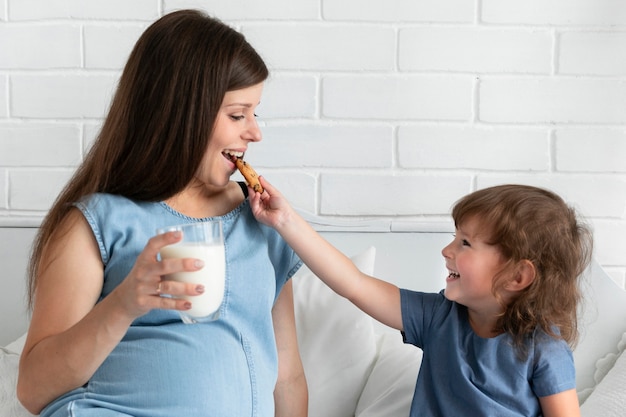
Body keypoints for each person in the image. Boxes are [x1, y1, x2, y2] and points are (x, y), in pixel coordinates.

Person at [17, 10, 307, 417]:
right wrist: (123, 305)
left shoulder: (265, 224)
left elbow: (288, 376)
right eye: (238, 115)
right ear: (182, 113)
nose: (255, 132)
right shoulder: (98, 223)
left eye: (255, 113)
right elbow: (32, 389)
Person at [249, 179, 593, 417]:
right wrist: (286, 221)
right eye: (455, 238)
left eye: (466, 244)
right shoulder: (437, 317)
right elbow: (352, 283)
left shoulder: (545, 350)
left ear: (518, 276)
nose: (447, 250)